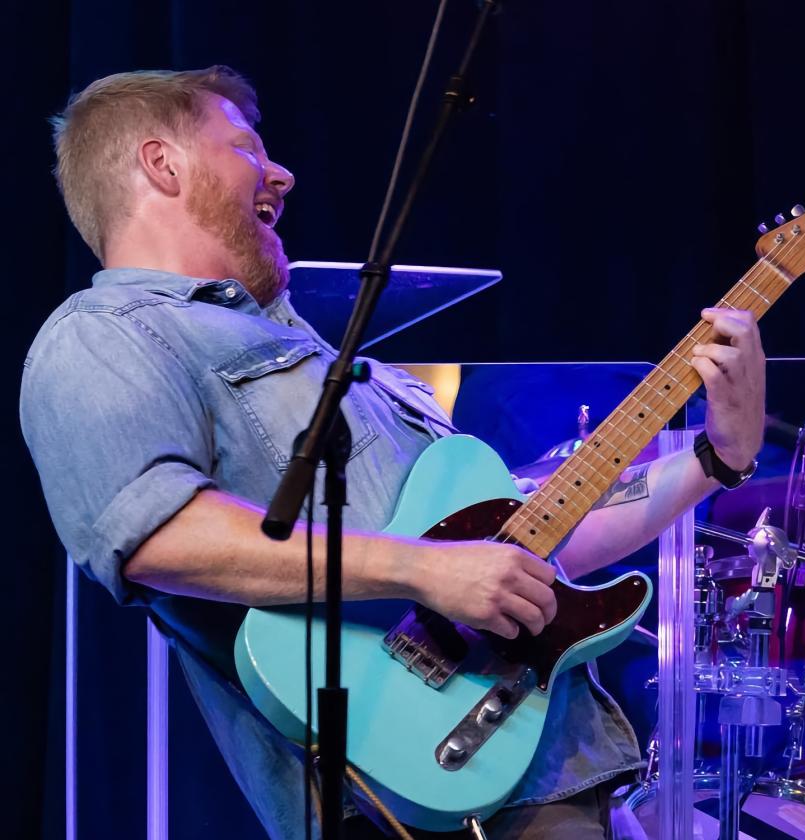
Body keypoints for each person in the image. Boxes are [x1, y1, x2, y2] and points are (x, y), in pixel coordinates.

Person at [20, 66, 766, 839]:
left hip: (546, 761)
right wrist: (423, 570)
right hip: (398, 786)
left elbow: (520, 538)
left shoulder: (322, 353)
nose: (282, 173)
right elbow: (157, 536)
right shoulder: (104, 333)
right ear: (161, 165)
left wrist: (715, 460)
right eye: (245, 148)